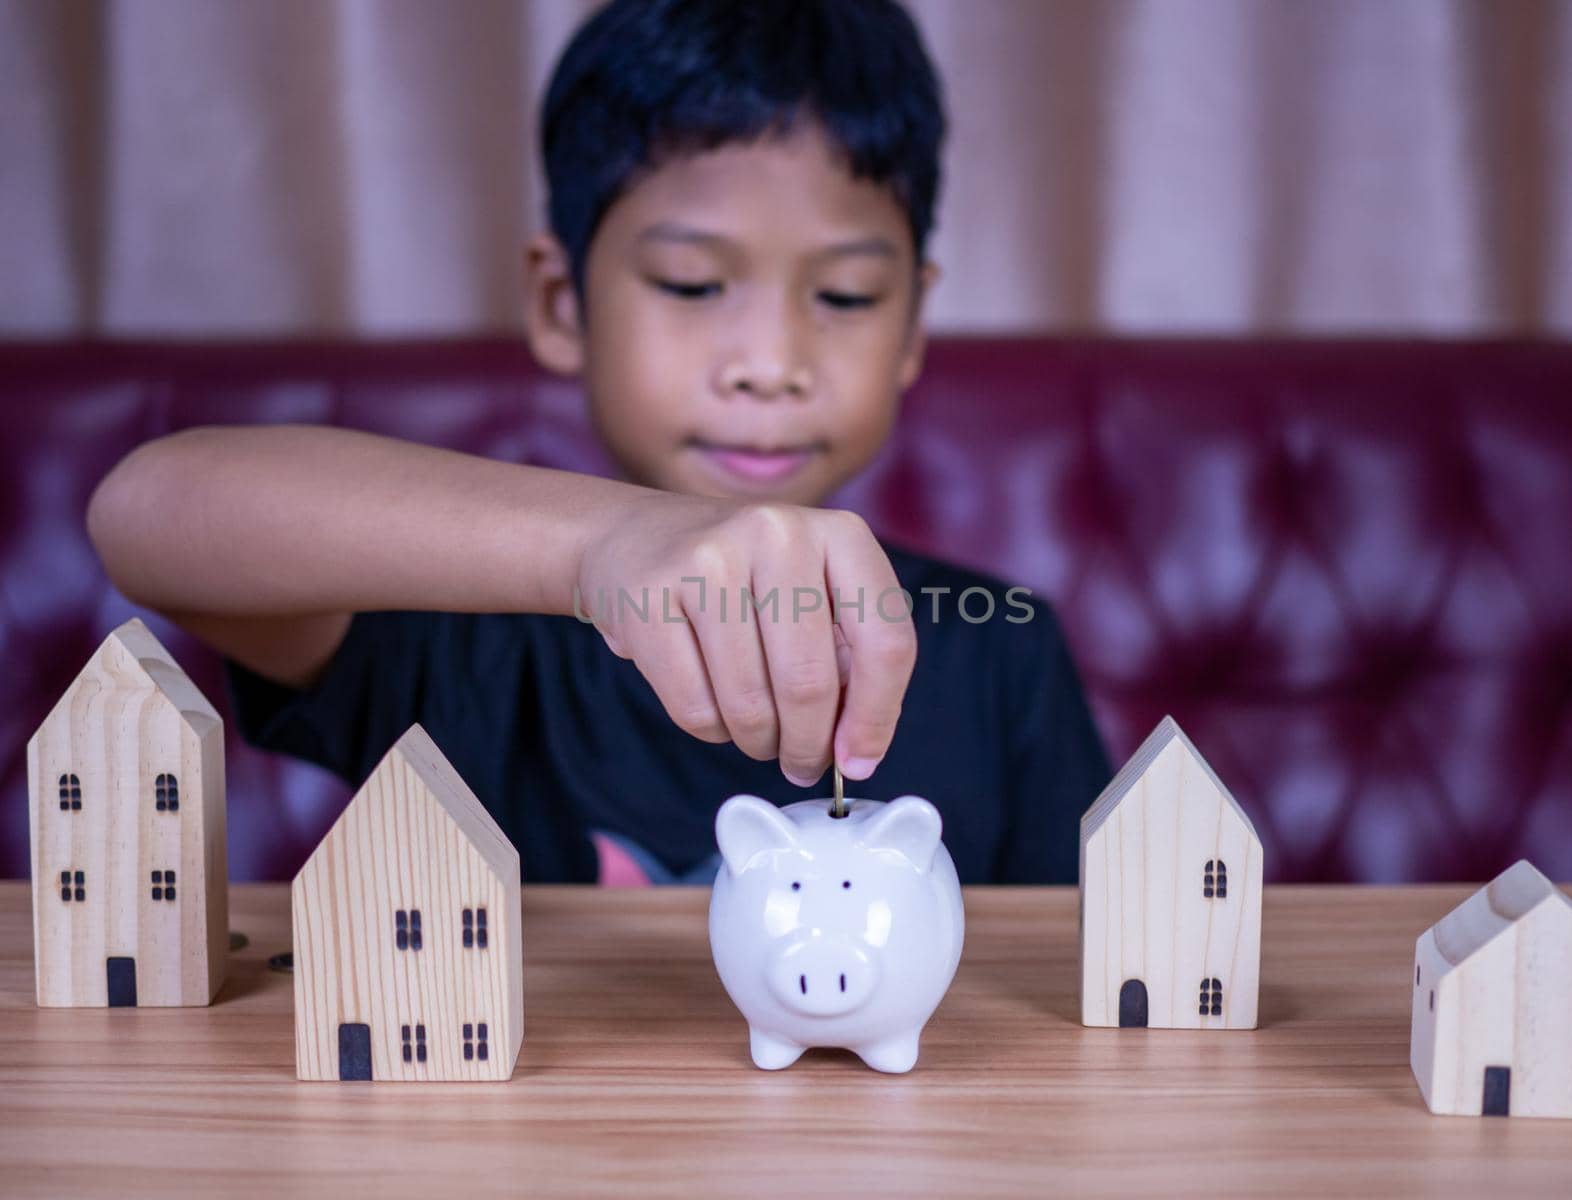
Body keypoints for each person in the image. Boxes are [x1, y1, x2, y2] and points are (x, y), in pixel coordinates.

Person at [86, 0, 1109, 885]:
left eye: (845, 294)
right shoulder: (463, 637)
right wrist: (600, 546)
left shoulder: (998, 644)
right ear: (560, 301)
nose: (769, 360)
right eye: (691, 284)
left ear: (913, 329)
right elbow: (146, 513)